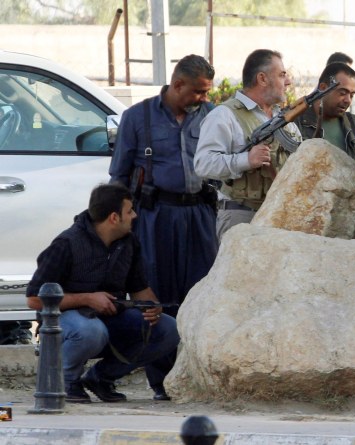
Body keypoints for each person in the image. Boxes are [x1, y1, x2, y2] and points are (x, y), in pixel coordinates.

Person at [109, 54, 217, 400]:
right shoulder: (136, 117)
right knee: (155, 300)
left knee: (202, 295)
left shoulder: (213, 116)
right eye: (198, 91)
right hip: (154, 219)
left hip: (200, 216)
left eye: (206, 92)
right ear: (177, 84)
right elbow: (119, 178)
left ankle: (199, 377)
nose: (203, 98)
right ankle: (162, 382)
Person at [25, 184, 180, 404]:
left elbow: (139, 288)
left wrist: (153, 307)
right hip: (68, 322)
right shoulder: (67, 243)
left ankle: (100, 378)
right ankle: (63, 381)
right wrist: (87, 298)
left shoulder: (129, 243)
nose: (135, 216)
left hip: (110, 318)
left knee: (168, 329)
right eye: (130, 211)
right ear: (114, 218)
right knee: (90, 331)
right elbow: (33, 299)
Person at [194, 49, 301, 239]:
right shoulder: (224, 115)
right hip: (242, 217)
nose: (288, 82)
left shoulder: (283, 118)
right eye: (282, 75)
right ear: (262, 78)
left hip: (279, 215)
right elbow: (202, 164)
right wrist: (246, 160)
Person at [293, 62, 355, 167]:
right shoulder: (296, 122)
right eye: (342, 93)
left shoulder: (352, 122)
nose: (348, 100)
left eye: (352, 95)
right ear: (323, 88)